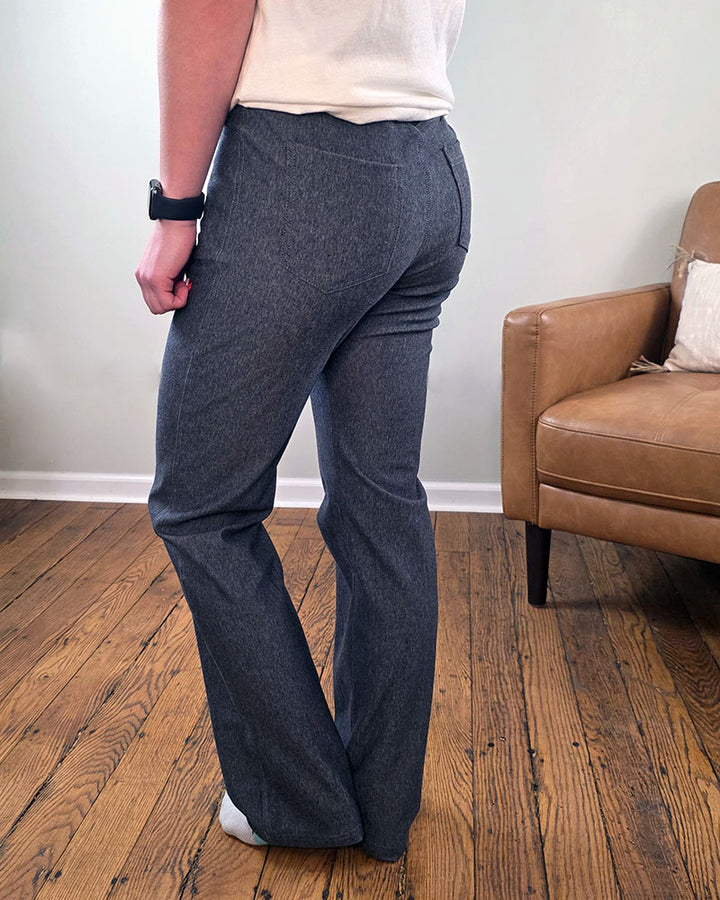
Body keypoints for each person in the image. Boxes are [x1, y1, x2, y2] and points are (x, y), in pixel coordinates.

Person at [135, 0, 471, 864]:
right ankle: (381, 808)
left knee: (201, 507)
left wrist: (175, 210)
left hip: (301, 174)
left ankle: (299, 804)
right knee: (380, 503)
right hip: (429, 173)